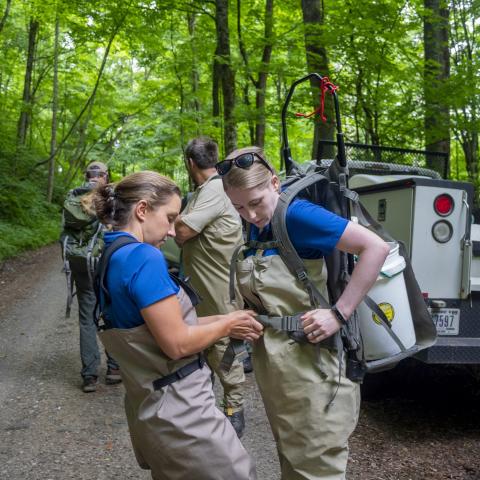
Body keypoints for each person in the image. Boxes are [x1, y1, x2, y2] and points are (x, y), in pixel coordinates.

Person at [216, 146, 390, 480]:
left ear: (275, 184)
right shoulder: (254, 225)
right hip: (279, 366)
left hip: (313, 368)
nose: (249, 215)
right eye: (238, 206)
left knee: (316, 468)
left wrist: (338, 313)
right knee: (294, 460)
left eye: (255, 203)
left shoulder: (297, 215)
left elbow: (376, 247)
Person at [92, 171, 260, 479]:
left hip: (151, 407)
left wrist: (228, 319)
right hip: (182, 412)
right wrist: (226, 326)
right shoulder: (144, 257)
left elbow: (160, 327)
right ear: (142, 210)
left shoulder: (112, 254)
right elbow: (177, 342)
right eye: (169, 218)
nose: (172, 231)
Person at [174, 136, 249, 437]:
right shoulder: (208, 190)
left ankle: (235, 410)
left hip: (220, 288)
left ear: (190, 163)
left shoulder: (215, 189)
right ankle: (208, 407)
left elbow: (182, 229)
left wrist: (177, 226)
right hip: (206, 288)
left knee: (223, 346)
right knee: (205, 345)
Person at [60, 161, 121, 393]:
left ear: (87, 175)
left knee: (87, 318)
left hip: (80, 263)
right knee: (110, 313)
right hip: (104, 263)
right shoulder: (109, 196)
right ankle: (114, 369)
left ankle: (89, 376)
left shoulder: (73, 197)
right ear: (104, 176)